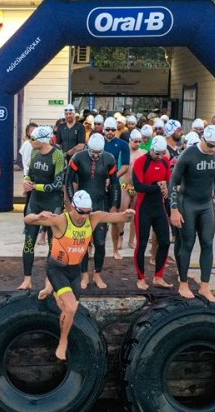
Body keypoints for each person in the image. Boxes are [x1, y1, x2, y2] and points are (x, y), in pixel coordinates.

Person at [25, 190, 134, 360]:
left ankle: (50, 289)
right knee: (71, 307)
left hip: (74, 271)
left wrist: (129, 214)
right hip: (57, 268)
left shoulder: (93, 218)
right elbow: (27, 219)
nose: (83, 216)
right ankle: (62, 343)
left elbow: (121, 218)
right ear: (72, 208)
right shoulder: (61, 220)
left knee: (67, 310)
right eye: (80, 212)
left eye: (87, 212)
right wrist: (39, 215)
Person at [169, 124, 215, 302]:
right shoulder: (188, 155)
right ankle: (184, 283)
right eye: (210, 145)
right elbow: (173, 183)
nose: (213, 149)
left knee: (208, 243)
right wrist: (174, 209)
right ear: (203, 140)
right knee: (187, 243)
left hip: (206, 204)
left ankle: (204, 286)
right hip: (188, 203)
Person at [65, 133, 120, 290]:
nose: (96, 156)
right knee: (82, 242)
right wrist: (72, 203)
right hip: (82, 204)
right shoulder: (78, 157)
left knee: (100, 242)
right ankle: (84, 274)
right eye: (93, 152)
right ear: (88, 148)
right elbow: (68, 181)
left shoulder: (109, 159)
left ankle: (97, 274)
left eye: (99, 153)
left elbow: (115, 184)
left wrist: (114, 205)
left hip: (100, 203)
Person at [18, 125, 66, 291]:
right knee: (29, 241)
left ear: (43, 140)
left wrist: (35, 187)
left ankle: (49, 280)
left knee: (53, 245)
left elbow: (58, 184)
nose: (30, 141)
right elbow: (30, 172)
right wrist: (26, 179)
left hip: (52, 204)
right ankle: (27, 279)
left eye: (33, 139)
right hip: (35, 202)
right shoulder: (33, 152)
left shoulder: (58, 156)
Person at [132, 135, 173, 290]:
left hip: (158, 207)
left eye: (163, 153)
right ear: (151, 150)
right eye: (157, 153)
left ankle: (158, 277)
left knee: (165, 242)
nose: (160, 156)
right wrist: (158, 186)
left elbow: (167, 182)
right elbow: (138, 186)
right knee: (141, 244)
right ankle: (141, 278)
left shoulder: (164, 161)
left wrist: (165, 187)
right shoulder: (141, 162)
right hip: (143, 207)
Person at [102, 117, 131, 260]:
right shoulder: (96, 141)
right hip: (97, 184)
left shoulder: (122, 144)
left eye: (113, 130)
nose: (110, 132)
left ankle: (114, 249)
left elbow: (125, 167)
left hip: (114, 184)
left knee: (114, 216)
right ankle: (89, 248)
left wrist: (111, 178)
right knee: (93, 216)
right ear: (103, 129)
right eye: (107, 129)